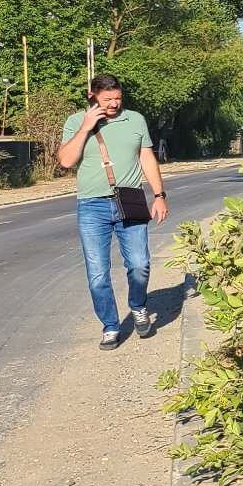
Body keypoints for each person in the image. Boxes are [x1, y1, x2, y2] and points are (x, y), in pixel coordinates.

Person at [57, 73, 169, 349]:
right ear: (92, 96)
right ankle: (110, 326)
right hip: (92, 205)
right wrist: (86, 126)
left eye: (118, 98)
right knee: (97, 274)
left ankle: (138, 306)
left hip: (129, 200)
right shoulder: (75, 121)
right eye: (107, 99)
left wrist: (159, 195)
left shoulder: (136, 120)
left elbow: (146, 157)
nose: (114, 104)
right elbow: (66, 161)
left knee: (140, 265)